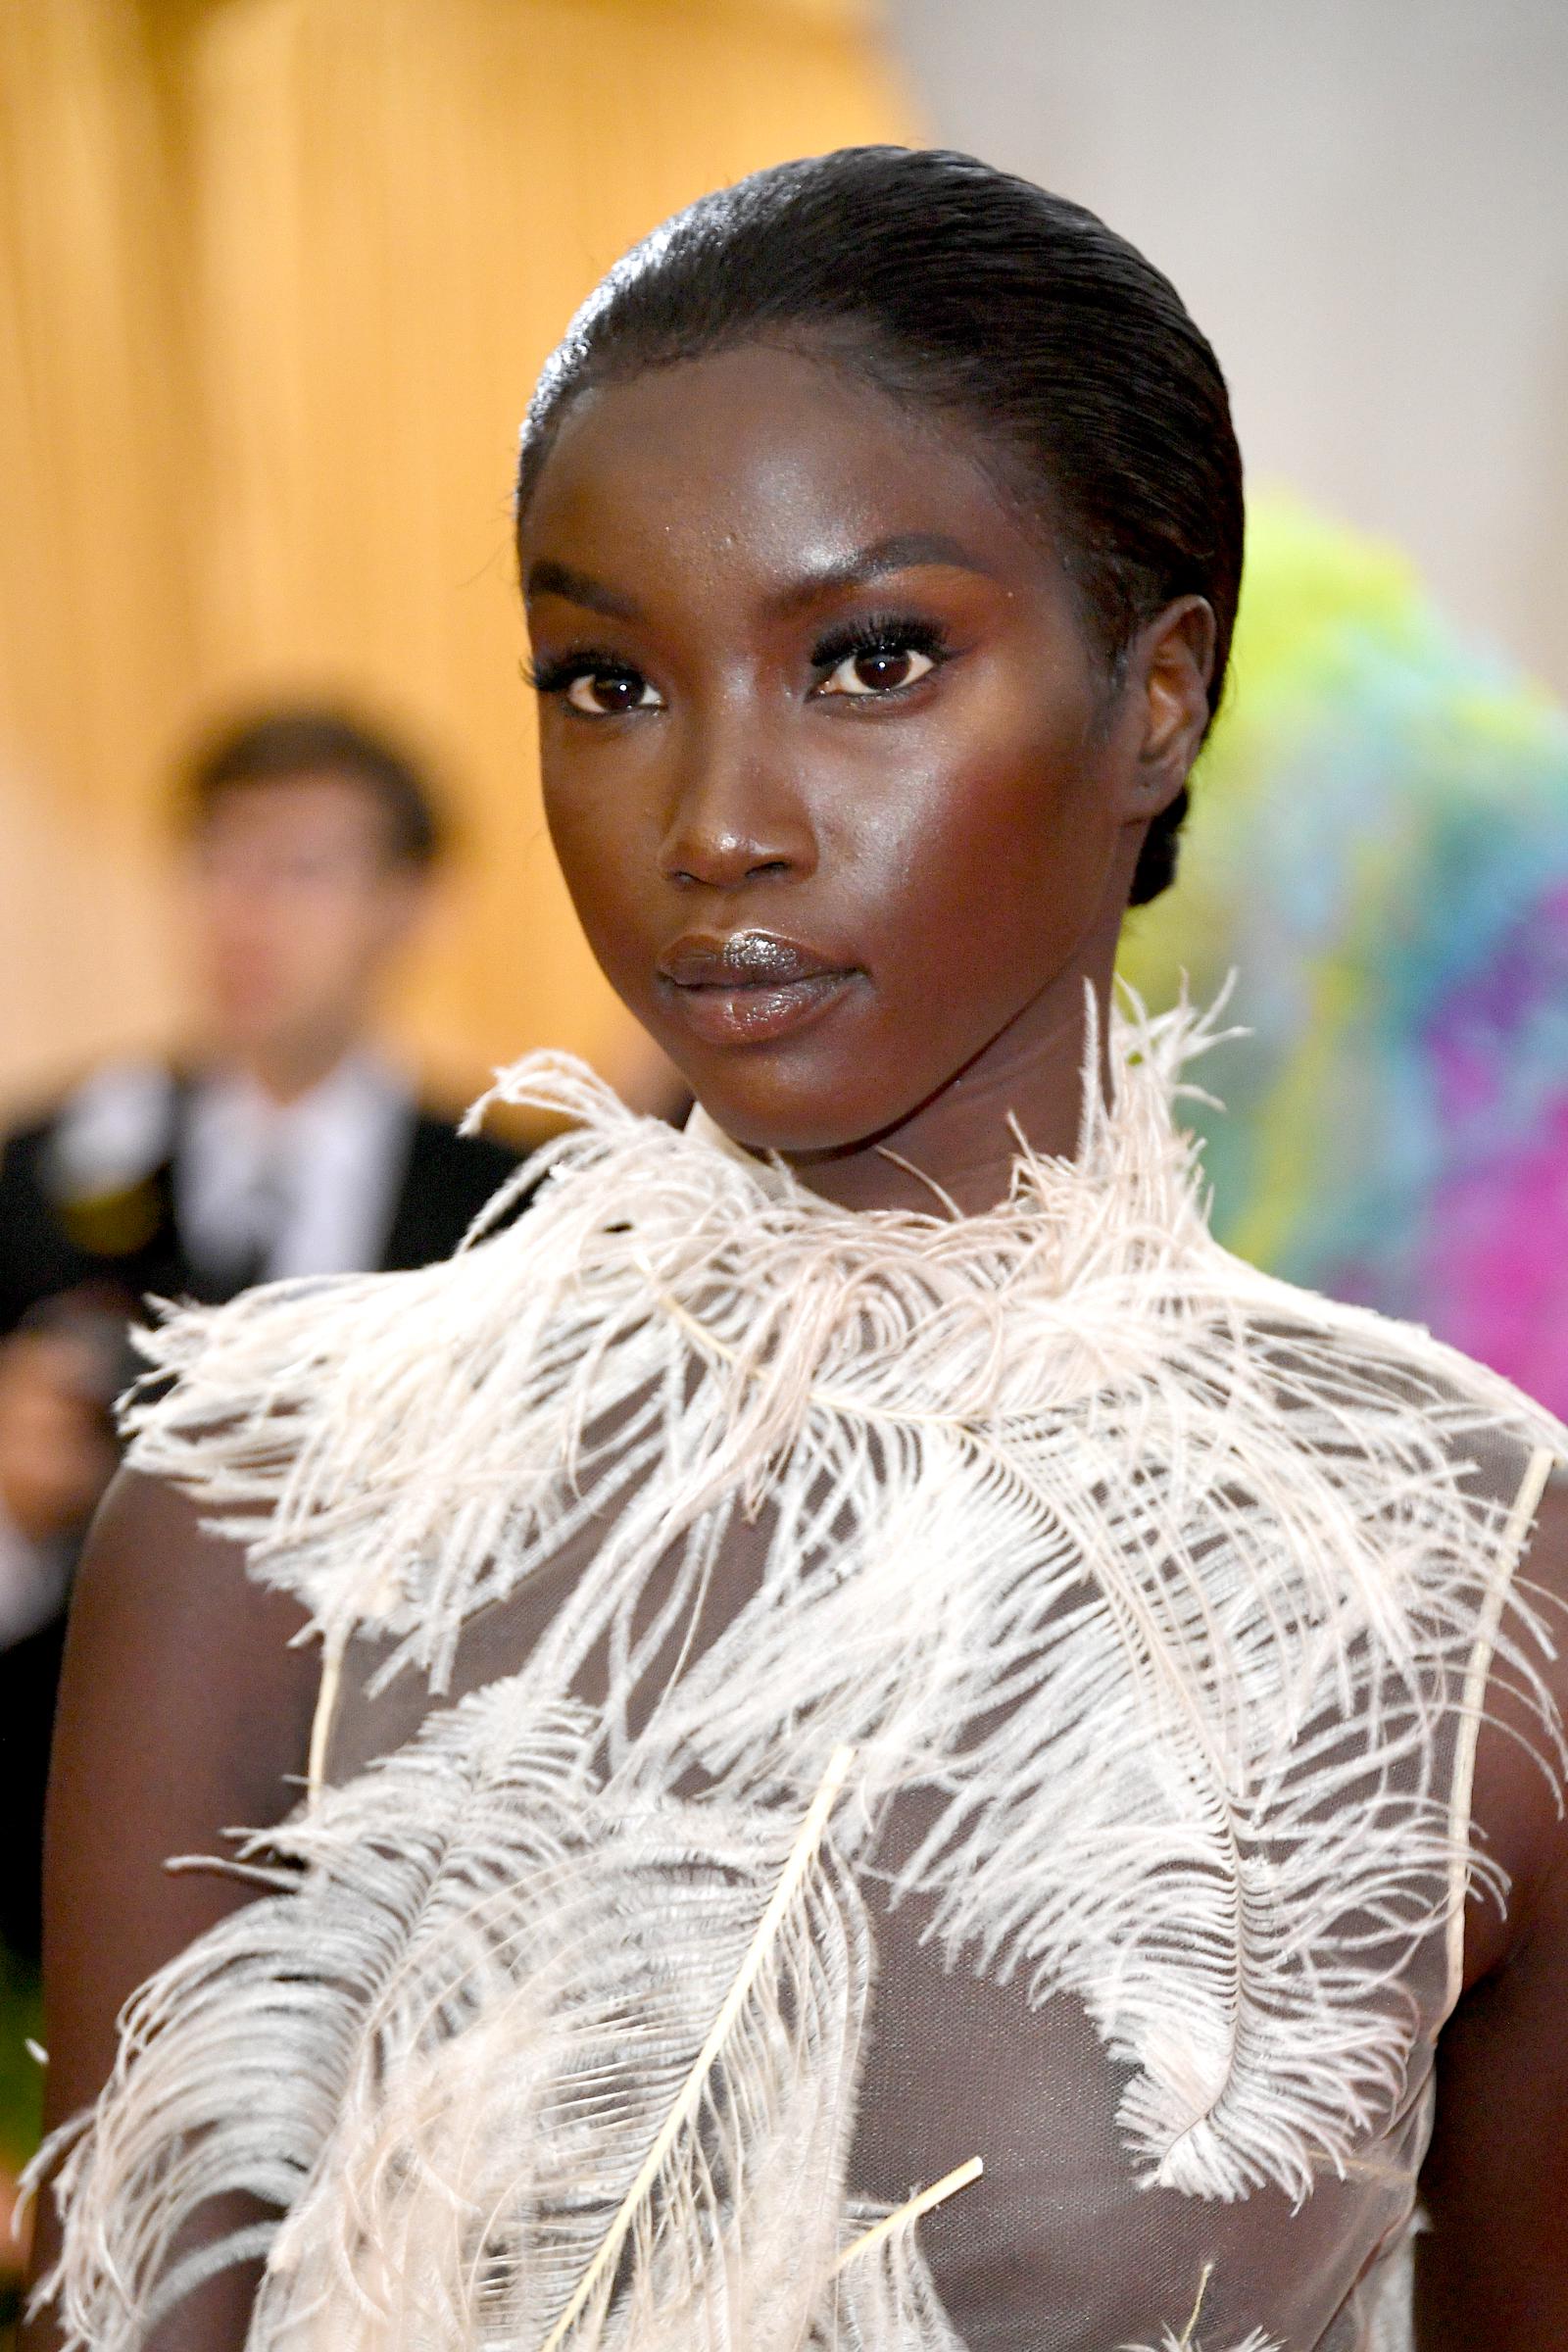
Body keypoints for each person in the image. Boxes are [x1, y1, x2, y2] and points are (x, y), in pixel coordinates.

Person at [21, 150, 1568, 2352]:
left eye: (867, 659)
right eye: (605, 681)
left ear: (1156, 696)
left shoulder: (1467, 1566)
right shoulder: (277, 1501)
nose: (714, 824)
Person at [0, 707, 525, 1966]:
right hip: (64, 1873)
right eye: (220, 862)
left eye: (301, 869)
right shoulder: (40, 1180)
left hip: (404, 1887)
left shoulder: (514, 1209)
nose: (248, 913)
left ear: (406, 906)